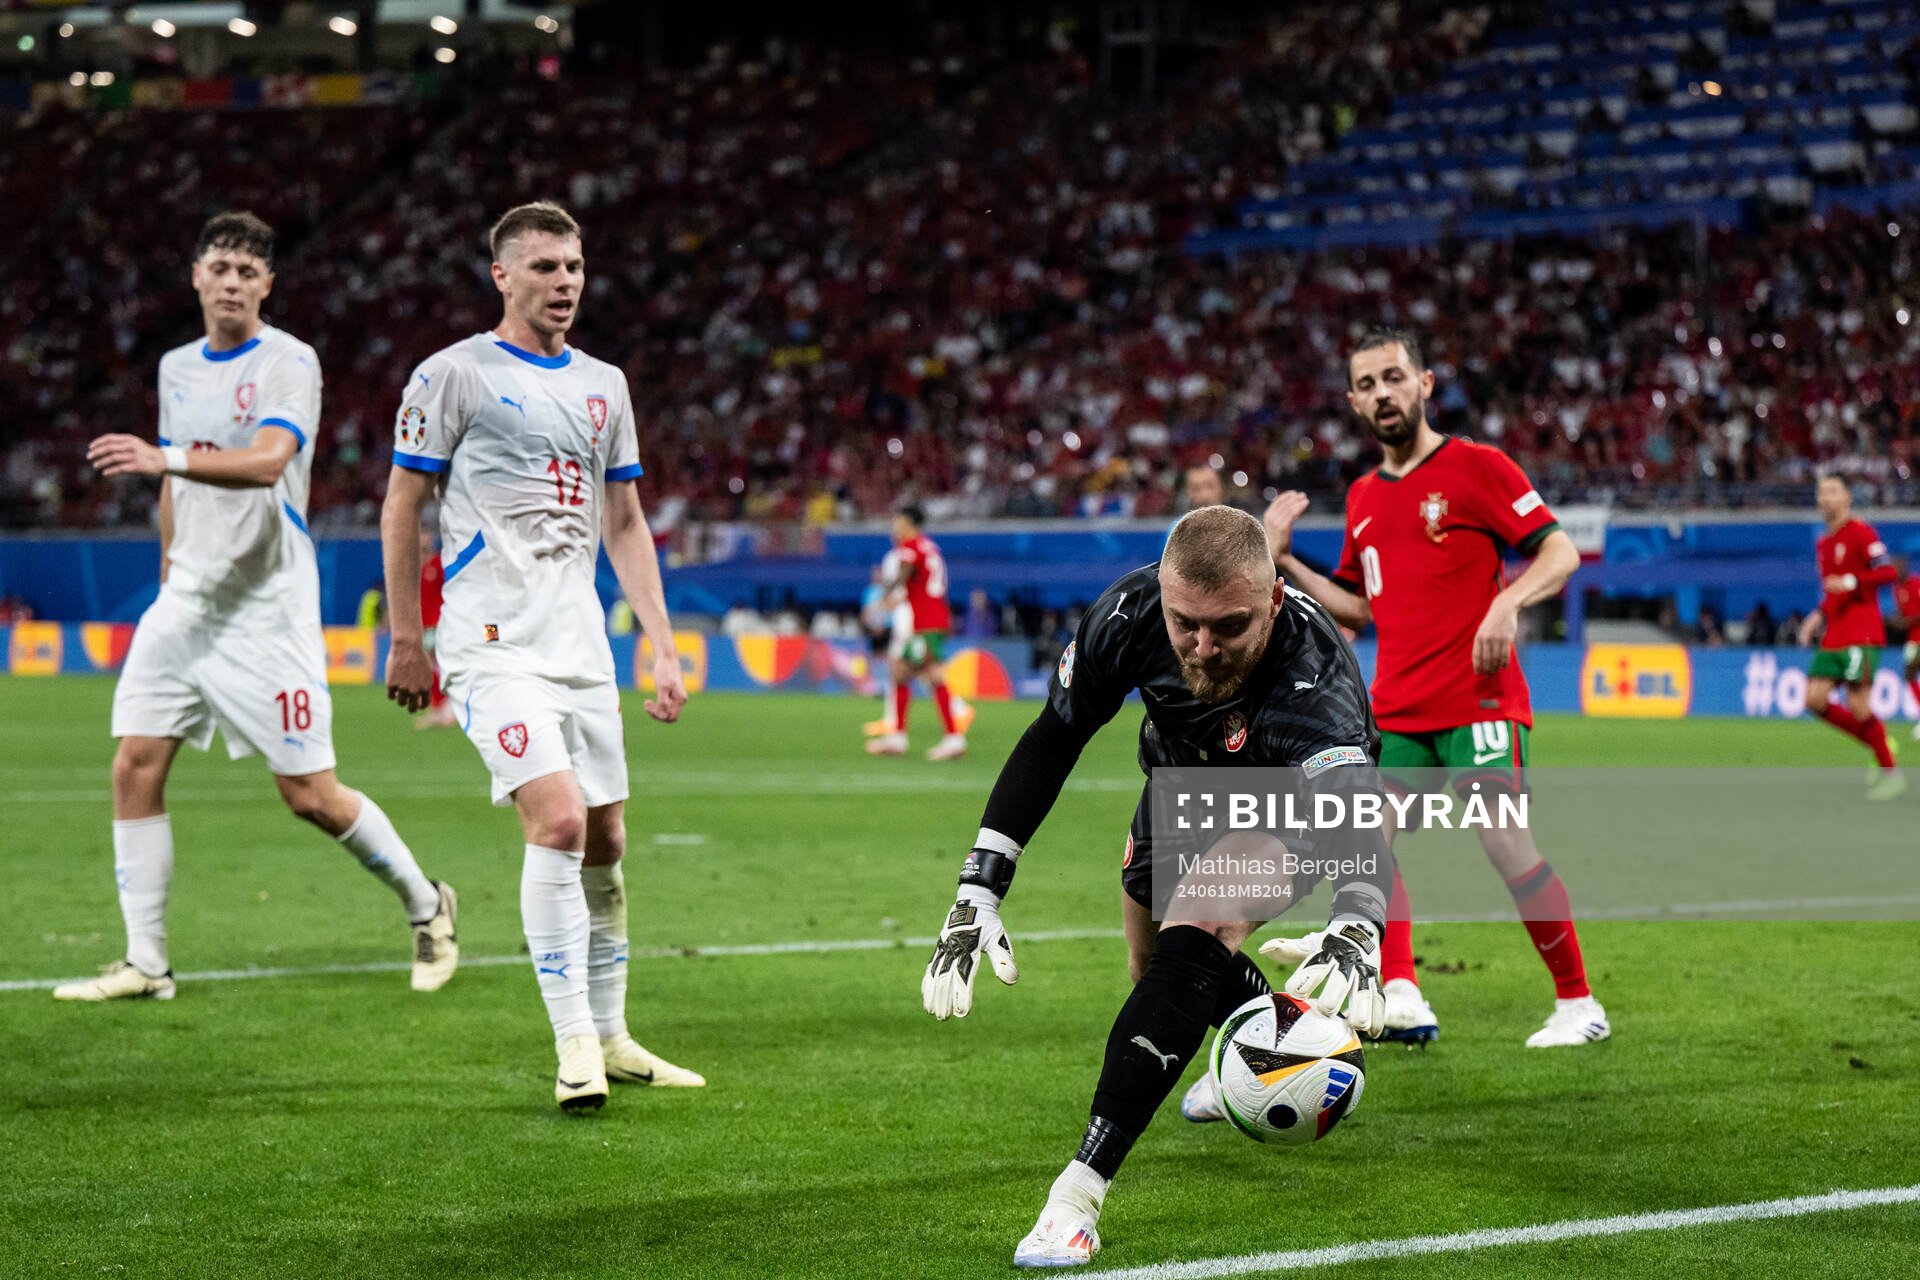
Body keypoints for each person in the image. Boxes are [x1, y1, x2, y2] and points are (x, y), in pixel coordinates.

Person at [920, 505, 1392, 1267]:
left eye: (1230, 626)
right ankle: (1270, 1047)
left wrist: (1359, 916)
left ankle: (1077, 1195)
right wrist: (979, 887)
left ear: (1271, 601)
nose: (1203, 648)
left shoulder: (1316, 678)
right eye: (1187, 625)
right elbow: (1053, 740)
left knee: (1199, 923)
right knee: (1156, 974)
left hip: (1288, 803)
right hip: (1176, 786)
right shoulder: (1129, 615)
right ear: (1164, 598)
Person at [64, 210, 457, 1002]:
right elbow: (177, 487)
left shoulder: (289, 362)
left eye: (249, 271)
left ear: (267, 286)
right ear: (198, 278)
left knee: (308, 794)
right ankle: (147, 963)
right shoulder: (177, 367)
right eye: (221, 267)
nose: (234, 282)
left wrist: (162, 457)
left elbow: (270, 460)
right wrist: (171, 562)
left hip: (266, 606)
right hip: (186, 601)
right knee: (134, 765)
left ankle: (428, 905)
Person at [380, 201, 704, 1110]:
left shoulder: (606, 384)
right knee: (557, 820)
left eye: (575, 267)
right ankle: (573, 1050)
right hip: (489, 643)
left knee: (606, 837)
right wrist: (408, 637)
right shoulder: (453, 375)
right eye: (547, 268)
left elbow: (627, 522)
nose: (566, 283)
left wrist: (663, 648)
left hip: (581, 647)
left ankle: (612, 1032)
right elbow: (402, 505)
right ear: (503, 275)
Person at [1261, 326, 1607, 1049]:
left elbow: (1560, 550)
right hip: (1399, 705)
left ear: (1424, 384)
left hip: (1477, 697)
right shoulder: (1361, 497)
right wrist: (1288, 562)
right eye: (1366, 384)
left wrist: (1506, 604)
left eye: (1393, 377)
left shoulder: (1477, 467)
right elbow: (1360, 606)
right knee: (1367, 843)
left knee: (1503, 840)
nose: (1382, 393)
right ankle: (1403, 992)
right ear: (1353, 402)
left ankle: (1579, 1003)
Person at [1797, 475, 1906, 797]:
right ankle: (1878, 741)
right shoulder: (1824, 544)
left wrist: (1853, 581)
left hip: (1863, 633)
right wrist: (1818, 615)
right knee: (1813, 699)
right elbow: (1834, 590)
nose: (1825, 497)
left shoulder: (1862, 532)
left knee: (1859, 707)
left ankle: (1891, 773)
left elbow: (1888, 572)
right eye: (1821, 492)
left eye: (1833, 491)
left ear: (1847, 498)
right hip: (1835, 633)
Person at [866, 505, 968, 761]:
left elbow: (902, 577)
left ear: (908, 524)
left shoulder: (911, 548)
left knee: (932, 674)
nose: (894, 528)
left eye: (897, 522)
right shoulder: (929, 547)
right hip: (932, 618)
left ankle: (953, 738)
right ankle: (898, 738)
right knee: (901, 671)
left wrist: (880, 599)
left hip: (925, 621)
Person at [415, 525, 458, 729]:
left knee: (439, 664)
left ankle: (446, 708)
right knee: (431, 666)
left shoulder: (439, 563)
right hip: (423, 626)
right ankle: (441, 708)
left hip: (440, 624)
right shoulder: (417, 567)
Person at [1889, 556, 1920, 739]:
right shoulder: (1896, 589)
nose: (1894, 572)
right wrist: (1897, 621)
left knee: (1910, 671)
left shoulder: (1915, 584)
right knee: (1909, 674)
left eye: (1897, 568)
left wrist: (1904, 622)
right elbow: (1903, 614)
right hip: (1911, 639)